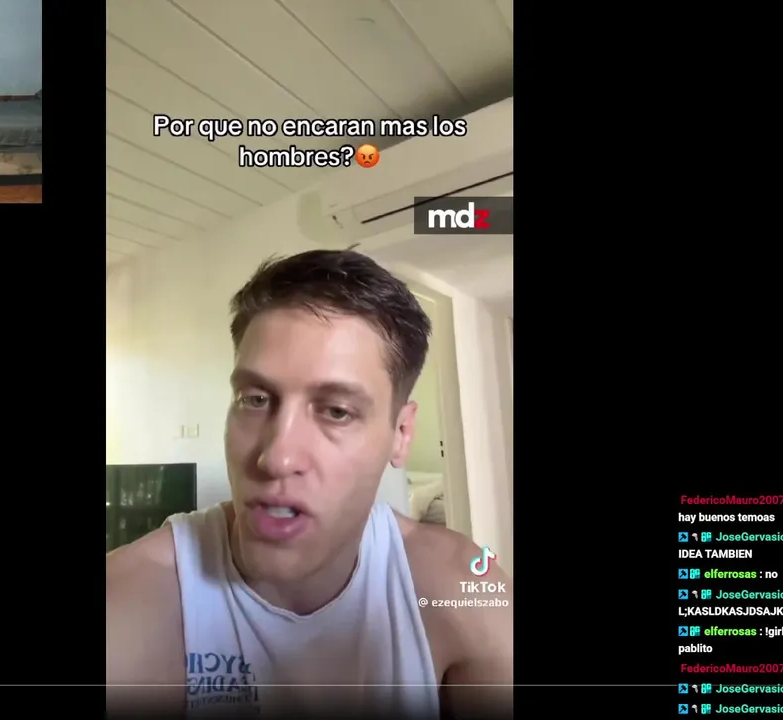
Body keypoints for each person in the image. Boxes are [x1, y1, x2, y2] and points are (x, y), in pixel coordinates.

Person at [106, 249, 513, 718]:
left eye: (337, 411)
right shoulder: (134, 597)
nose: (276, 458)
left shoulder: (463, 586)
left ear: (401, 434)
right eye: (255, 399)